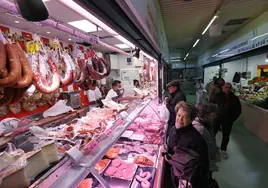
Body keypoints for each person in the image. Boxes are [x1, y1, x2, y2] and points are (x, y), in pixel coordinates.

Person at [166, 101, 209, 188]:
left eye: (185, 117)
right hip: (173, 174)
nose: (180, 119)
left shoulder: (196, 139)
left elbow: (203, 165)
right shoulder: (172, 130)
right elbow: (171, 150)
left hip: (186, 181)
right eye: (178, 115)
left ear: (191, 119)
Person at [213, 82, 242, 159]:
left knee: (226, 135)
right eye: (226, 87)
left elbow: (238, 110)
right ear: (222, 88)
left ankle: (223, 150)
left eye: (229, 87)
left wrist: (232, 119)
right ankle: (212, 148)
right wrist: (214, 115)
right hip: (217, 119)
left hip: (228, 120)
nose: (227, 89)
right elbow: (212, 105)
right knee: (212, 134)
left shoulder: (235, 98)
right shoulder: (217, 96)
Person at [193, 103, 221, 178]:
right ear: (205, 114)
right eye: (213, 113)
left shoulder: (207, 124)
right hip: (203, 166)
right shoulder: (200, 129)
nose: (215, 116)